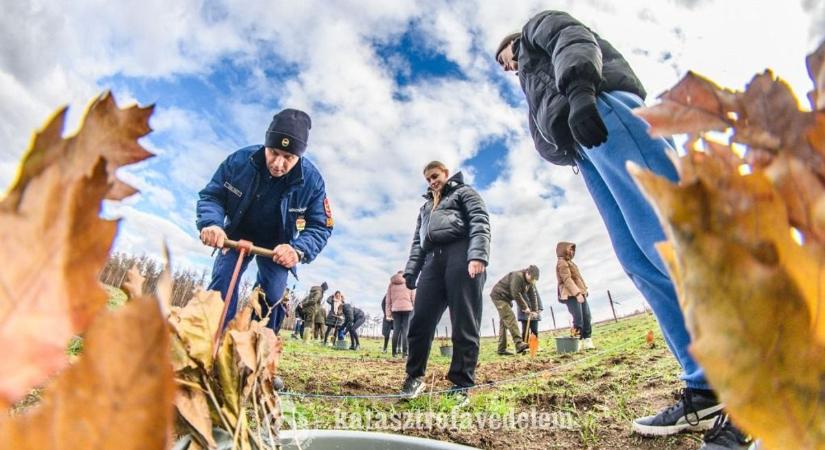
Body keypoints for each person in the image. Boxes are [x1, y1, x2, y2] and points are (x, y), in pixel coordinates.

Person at [495, 12, 749, 449]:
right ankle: (706, 385)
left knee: (673, 239)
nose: (508, 67)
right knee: (641, 261)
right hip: (583, 149)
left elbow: (571, 37)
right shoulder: (529, 76)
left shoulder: (535, 30)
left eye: (505, 59)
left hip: (601, 108)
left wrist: (578, 91)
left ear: (511, 44)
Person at [197, 109, 334, 332]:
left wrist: (297, 250)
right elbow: (212, 196)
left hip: (278, 244)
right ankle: (217, 345)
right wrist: (211, 224)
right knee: (222, 286)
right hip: (235, 235)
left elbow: (320, 226)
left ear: (299, 156)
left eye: (288, 157)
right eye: (273, 152)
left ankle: (254, 348)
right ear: (265, 145)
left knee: (272, 295)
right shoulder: (239, 162)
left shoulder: (312, 181)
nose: (278, 164)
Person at [400, 161, 490, 407]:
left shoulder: (464, 192)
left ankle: (461, 384)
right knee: (420, 321)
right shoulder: (425, 207)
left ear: (446, 174)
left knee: (464, 320)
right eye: (428, 179)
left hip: (461, 255)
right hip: (432, 261)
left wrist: (478, 255)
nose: (432, 182)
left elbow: (479, 221)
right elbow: (417, 243)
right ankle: (414, 377)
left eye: (435, 176)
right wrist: (412, 271)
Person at [490, 265, 541, 355]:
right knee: (510, 318)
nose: (532, 281)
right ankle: (519, 344)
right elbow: (515, 293)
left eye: (534, 280)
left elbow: (533, 296)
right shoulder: (517, 276)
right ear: (527, 273)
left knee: (504, 323)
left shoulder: (530, 283)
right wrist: (525, 308)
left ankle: (501, 349)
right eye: (532, 278)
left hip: (506, 299)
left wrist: (535, 311)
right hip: (499, 296)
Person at [555, 242, 592, 348]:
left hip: (580, 293)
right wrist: (577, 293)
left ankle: (587, 339)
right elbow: (567, 279)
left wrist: (584, 290)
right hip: (571, 294)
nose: (572, 252)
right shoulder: (561, 262)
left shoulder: (571, 263)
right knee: (578, 318)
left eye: (573, 250)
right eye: (570, 249)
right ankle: (577, 341)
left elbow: (578, 278)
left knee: (587, 316)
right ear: (563, 250)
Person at [385, 270, 415, 358]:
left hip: (395, 310)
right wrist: (414, 307)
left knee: (396, 330)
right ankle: (405, 353)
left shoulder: (391, 284)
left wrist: (388, 313)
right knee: (406, 330)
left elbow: (388, 300)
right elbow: (413, 298)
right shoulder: (408, 281)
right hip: (408, 309)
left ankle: (394, 353)